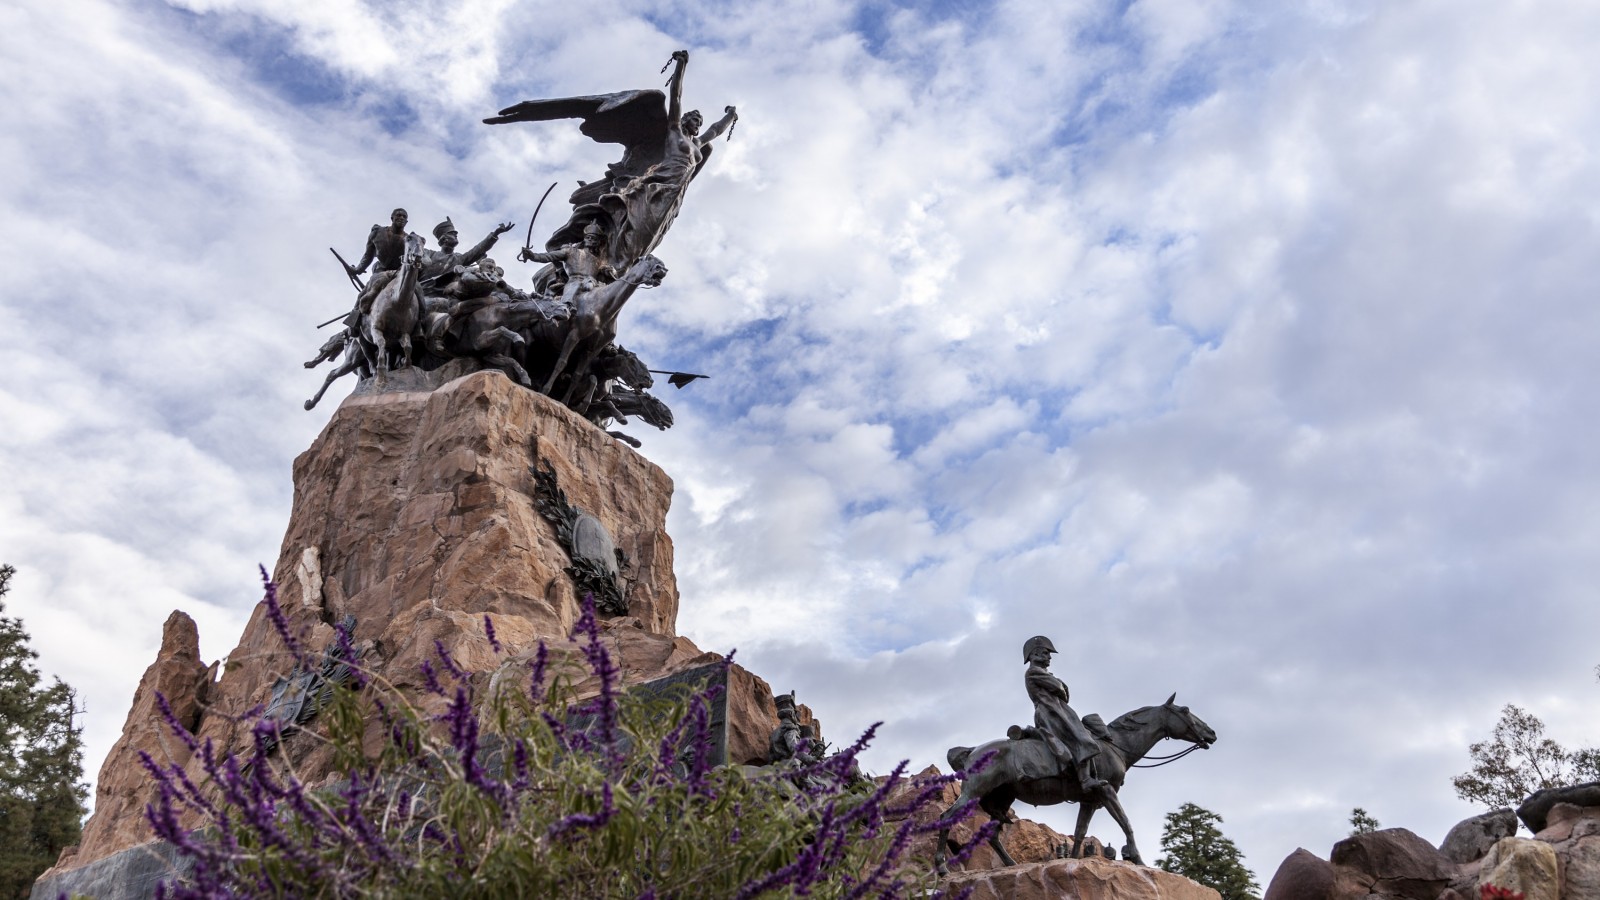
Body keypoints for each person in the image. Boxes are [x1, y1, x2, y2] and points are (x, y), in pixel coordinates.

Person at [1023, 635, 1107, 794]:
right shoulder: (1034, 671)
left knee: (1084, 736)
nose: (1049, 657)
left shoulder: (1042, 672)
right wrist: (1060, 684)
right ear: (1034, 655)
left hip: (1058, 712)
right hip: (1051, 714)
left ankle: (1087, 776)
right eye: (1046, 653)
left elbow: (1064, 694)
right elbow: (1060, 689)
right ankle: (1085, 780)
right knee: (1080, 739)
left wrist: (1060, 686)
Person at [520, 221, 616, 308]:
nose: (590, 240)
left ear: (597, 242)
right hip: (574, 281)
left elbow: (610, 275)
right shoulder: (571, 251)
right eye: (588, 237)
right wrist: (532, 256)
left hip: (592, 283)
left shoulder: (598, 261)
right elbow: (549, 257)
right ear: (584, 239)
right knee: (569, 296)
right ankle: (566, 307)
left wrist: (611, 271)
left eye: (593, 238)